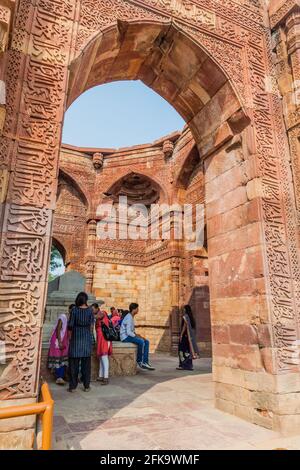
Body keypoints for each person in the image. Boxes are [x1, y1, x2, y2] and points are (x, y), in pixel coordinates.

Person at [68, 292, 94, 392]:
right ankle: (86, 386)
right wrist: (90, 337)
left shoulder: (74, 310)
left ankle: (72, 386)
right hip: (86, 339)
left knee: (74, 365)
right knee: (86, 365)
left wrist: (70, 337)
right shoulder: (90, 310)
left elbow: (70, 325)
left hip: (76, 338)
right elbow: (92, 326)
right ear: (86, 300)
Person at [120, 303, 155, 370]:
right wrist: (137, 337)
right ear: (134, 309)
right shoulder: (129, 317)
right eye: (137, 308)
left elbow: (132, 331)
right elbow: (128, 332)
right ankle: (139, 361)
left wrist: (139, 336)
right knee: (141, 341)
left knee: (146, 341)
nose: (138, 310)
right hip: (125, 337)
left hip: (129, 335)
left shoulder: (131, 317)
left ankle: (145, 362)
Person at [48, 313, 69, 385]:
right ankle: (59, 377)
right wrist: (59, 342)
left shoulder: (69, 318)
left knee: (62, 359)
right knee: (57, 358)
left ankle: (61, 377)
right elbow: (58, 329)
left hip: (64, 340)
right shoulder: (63, 317)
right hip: (57, 340)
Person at [177, 305, 200, 371]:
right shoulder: (191, 317)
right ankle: (189, 365)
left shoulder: (185, 317)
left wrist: (181, 335)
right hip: (189, 338)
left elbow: (184, 326)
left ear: (186, 309)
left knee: (181, 350)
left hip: (185, 336)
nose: (183, 310)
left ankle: (183, 365)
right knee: (187, 351)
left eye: (184, 309)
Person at [95, 309, 113, 385]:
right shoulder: (99, 319)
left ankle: (106, 377)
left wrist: (95, 315)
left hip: (105, 340)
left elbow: (101, 315)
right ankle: (101, 376)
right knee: (101, 358)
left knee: (104, 358)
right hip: (101, 340)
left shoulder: (103, 314)